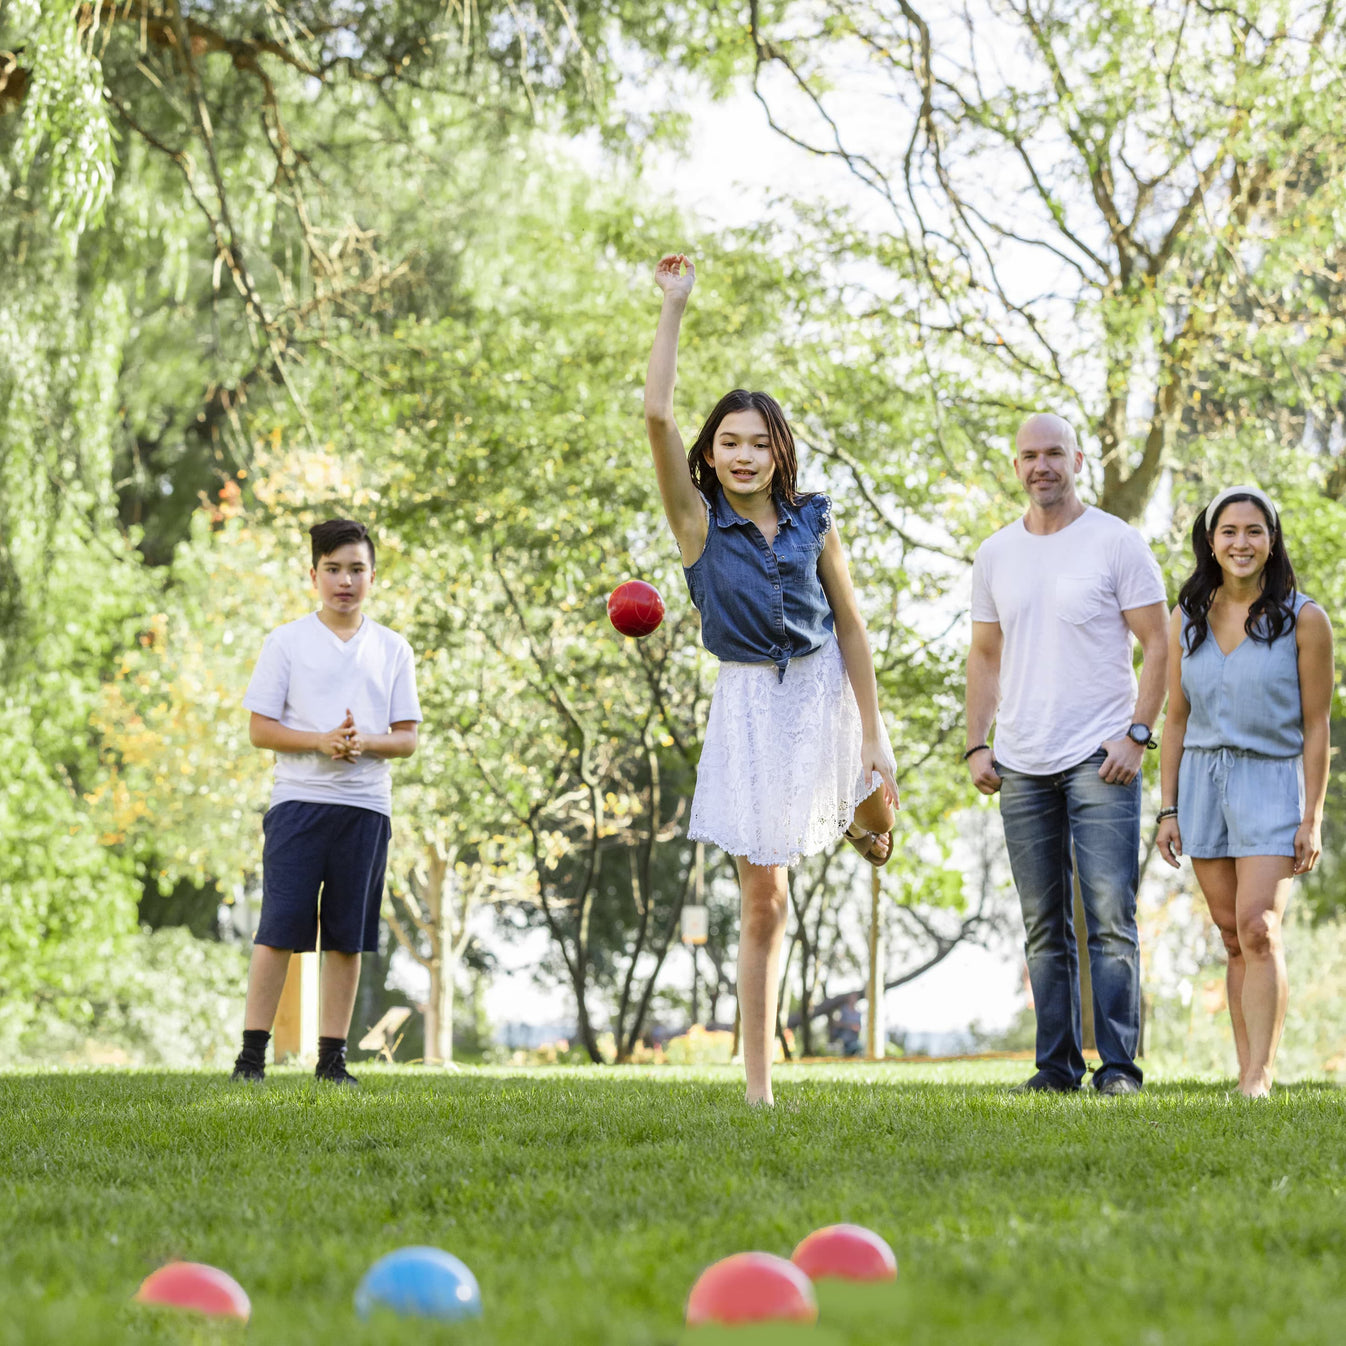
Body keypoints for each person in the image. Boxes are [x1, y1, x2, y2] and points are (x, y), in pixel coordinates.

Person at [644, 253, 899, 1106]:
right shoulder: (695, 524)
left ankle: (865, 816)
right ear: (708, 458)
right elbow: (655, 412)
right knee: (767, 902)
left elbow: (853, 625)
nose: (744, 454)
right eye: (729, 443)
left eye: (760, 442)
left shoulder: (814, 519)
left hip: (826, 685)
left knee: (876, 802)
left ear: (779, 450)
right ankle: (759, 1086)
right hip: (752, 702)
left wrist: (874, 729)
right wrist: (675, 306)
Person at [965, 413, 1168, 1096]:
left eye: (1054, 453)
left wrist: (1138, 735)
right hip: (1021, 762)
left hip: (1100, 756)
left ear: (1077, 459)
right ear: (1015, 464)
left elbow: (1159, 644)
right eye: (1029, 456)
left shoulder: (1116, 542)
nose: (1041, 466)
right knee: (1042, 923)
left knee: (1110, 916)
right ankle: (1055, 1067)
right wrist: (976, 743)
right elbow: (986, 654)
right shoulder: (996, 553)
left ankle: (1118, 1069)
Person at [231, 518, 421, 1086]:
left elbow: (406, 739)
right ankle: (250, 1058)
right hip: (298, 804)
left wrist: (361, 742)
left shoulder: (393, 648)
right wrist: (319, 740)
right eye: (333, 569)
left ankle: (332, 1060)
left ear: (372, 576)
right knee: (279, 929)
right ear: (313, 575)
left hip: (366, 809)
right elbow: (260, 730)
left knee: (348, 935)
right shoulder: (286, 641)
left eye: (356, 569)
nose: (345, 580)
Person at [1156, 486, 1333, 1097]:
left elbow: (1317, 727)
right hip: (1203, 785)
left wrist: (1311, 817)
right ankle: (1244, 1067)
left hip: (1271, 781)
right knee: (1232, 934)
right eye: (1229, 531)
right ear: (1211, 542)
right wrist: (1168, 808)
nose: (1241, 543)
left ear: (1272, 540)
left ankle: (1261, 1074)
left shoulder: (1305, 619)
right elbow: (1174, 719)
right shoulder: (1188, 618)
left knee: (1261, 927)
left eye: (1253, 531)